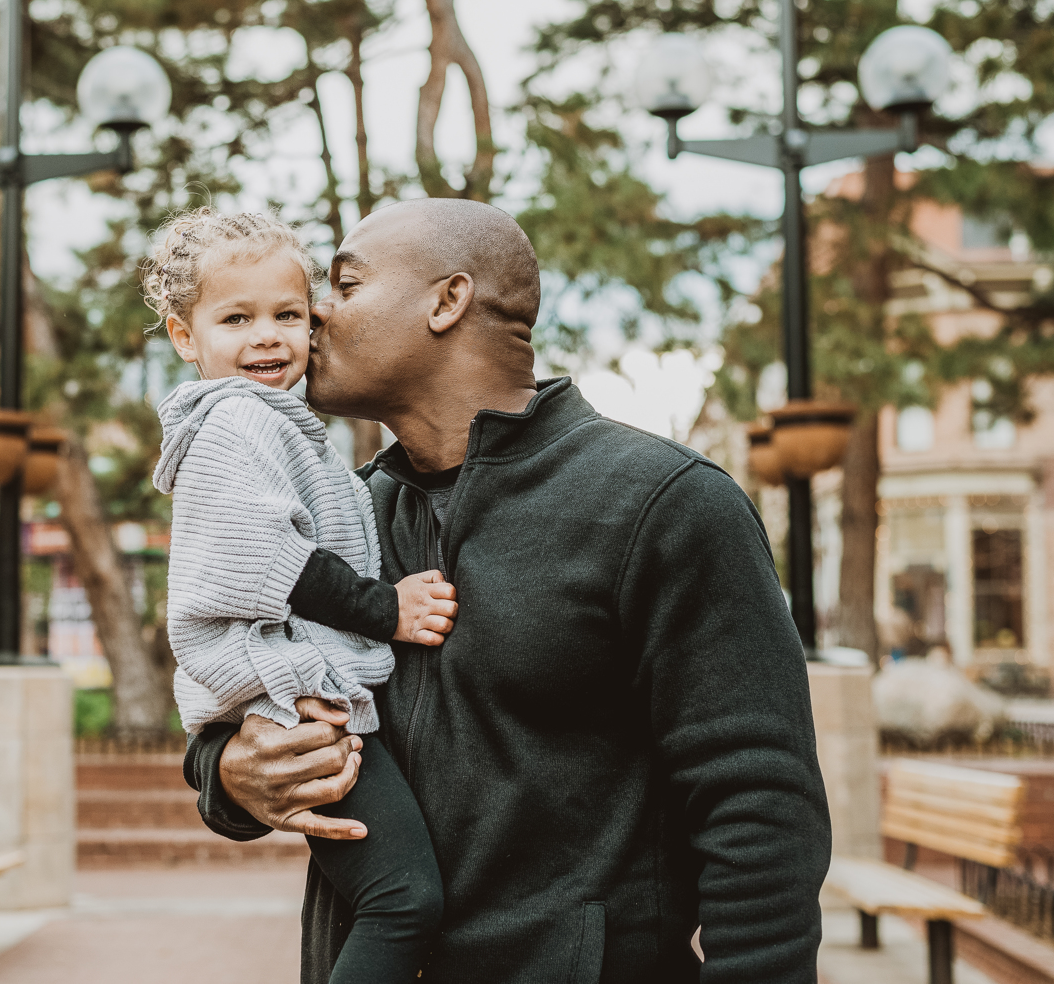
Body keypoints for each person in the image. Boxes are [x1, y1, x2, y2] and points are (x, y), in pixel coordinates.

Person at [184, 199, 832, 982]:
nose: (313, 314)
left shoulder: (662, 504)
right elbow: (246, 690)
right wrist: (226, 775)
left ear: (447, 301)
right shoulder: (345, 519)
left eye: (344, 285)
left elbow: (757, 807)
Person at [145, 209, 456, 984]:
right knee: (401, 899)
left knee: (392, 896)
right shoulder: (238, 422)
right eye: (236, 317)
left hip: (288, 690)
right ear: (187, 338)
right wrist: (388, 610)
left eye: (288, 315)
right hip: (294, 696)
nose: (267, 336)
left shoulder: (277, 424)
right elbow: (268, 559)